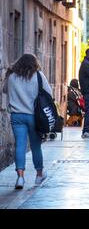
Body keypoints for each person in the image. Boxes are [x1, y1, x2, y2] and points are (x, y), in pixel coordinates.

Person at [2, 54, 51, 189]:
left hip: (17, 116)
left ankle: (20, 178)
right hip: (34, 116)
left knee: (20, 146)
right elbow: (49, 93)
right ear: (34, 64)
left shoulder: (11, 76)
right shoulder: (39, 76)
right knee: (36, 146)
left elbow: (5, 90)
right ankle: (39, 175)